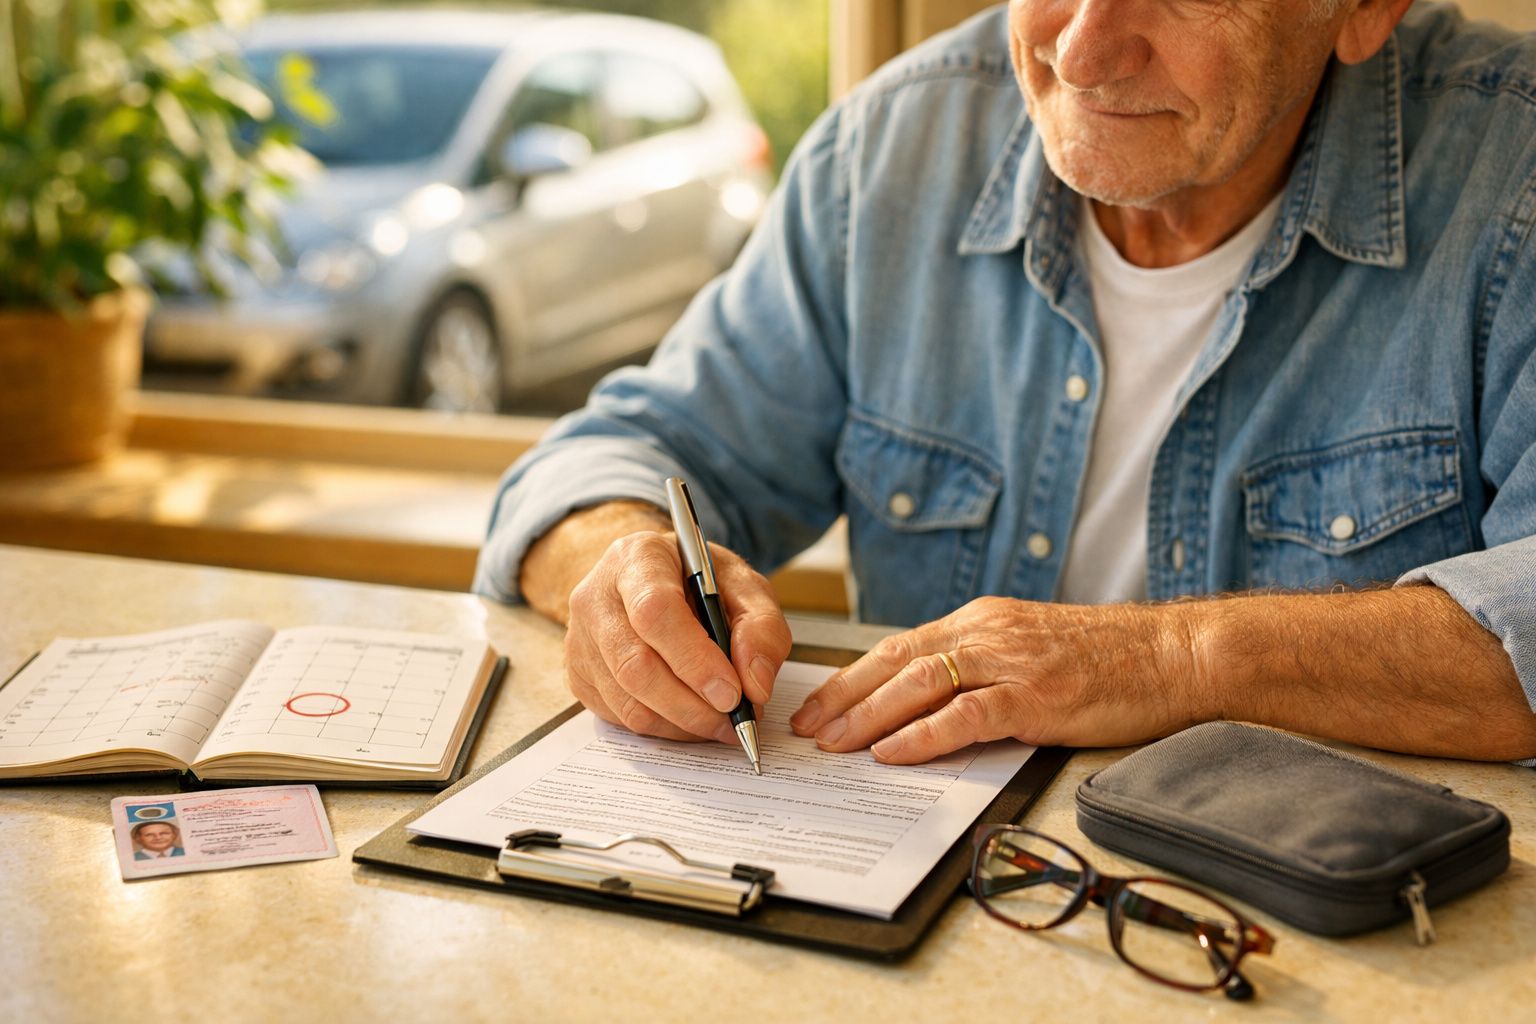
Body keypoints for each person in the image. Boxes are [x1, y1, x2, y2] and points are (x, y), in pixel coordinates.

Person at [476, 0, 1536, 767]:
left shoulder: (1515, 178)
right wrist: (618, 565)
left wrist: (1168, 661)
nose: (1082, 51)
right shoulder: (892, 149)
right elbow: (616, 458)